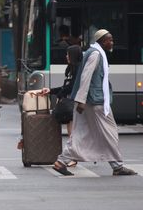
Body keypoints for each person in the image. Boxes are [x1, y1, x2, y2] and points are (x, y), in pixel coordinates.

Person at [52, 29, 137, 177]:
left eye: (111, 39)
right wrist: (81, 100)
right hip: (95, 101)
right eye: (109, 40)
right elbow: (86, 77)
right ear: (101, 41)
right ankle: (117, 166)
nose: (112, 42)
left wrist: (81, 100)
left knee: (81, 133)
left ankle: (62, 162)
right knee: (110, 132)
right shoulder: (96, 55)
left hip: (91, 101)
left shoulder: (95, 53)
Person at [38, 45, 82, 137]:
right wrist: (50, 90)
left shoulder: (79, 69)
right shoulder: (71, 68)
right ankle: (73, 148)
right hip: (71, 102)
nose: (66, 56)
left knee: (74, 129)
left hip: (76, 102)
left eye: (68, 54)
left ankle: (74, 149)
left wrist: (59, 95)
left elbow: (72, 87)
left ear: (73, 55)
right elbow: (65, 86)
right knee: (71, 127)